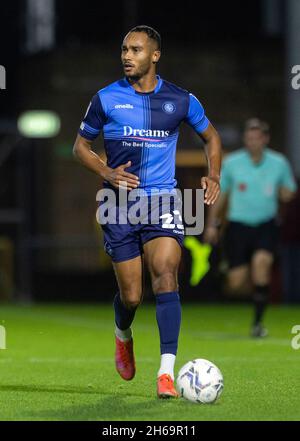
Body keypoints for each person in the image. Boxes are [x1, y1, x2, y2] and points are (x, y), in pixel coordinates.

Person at [73, 25, 222, 398]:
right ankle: (123, 334)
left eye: (135, 50)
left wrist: (213, 174)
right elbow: (80, 147)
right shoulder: (106, 99)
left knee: (167, 275)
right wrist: (106, 170)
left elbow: (212, 137)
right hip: (118, 206)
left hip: (164, 201)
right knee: (133, 297)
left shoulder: (180, 99)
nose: (127, 55)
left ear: (154, 55)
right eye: (124, 49)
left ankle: (166, 373)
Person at [204, 118, 297, 337]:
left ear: (265, 139)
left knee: (261, 265)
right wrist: (212, 225)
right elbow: (220, 195)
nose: (252, 142)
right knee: (236, 284)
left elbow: (289, 191)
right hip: (238, 227)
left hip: (266, 224)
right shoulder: (232, 163)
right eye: (249, 138)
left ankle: (257, 323)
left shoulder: (279, 162)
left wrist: (286, 194)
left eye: (257, 138)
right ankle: (236, 275)